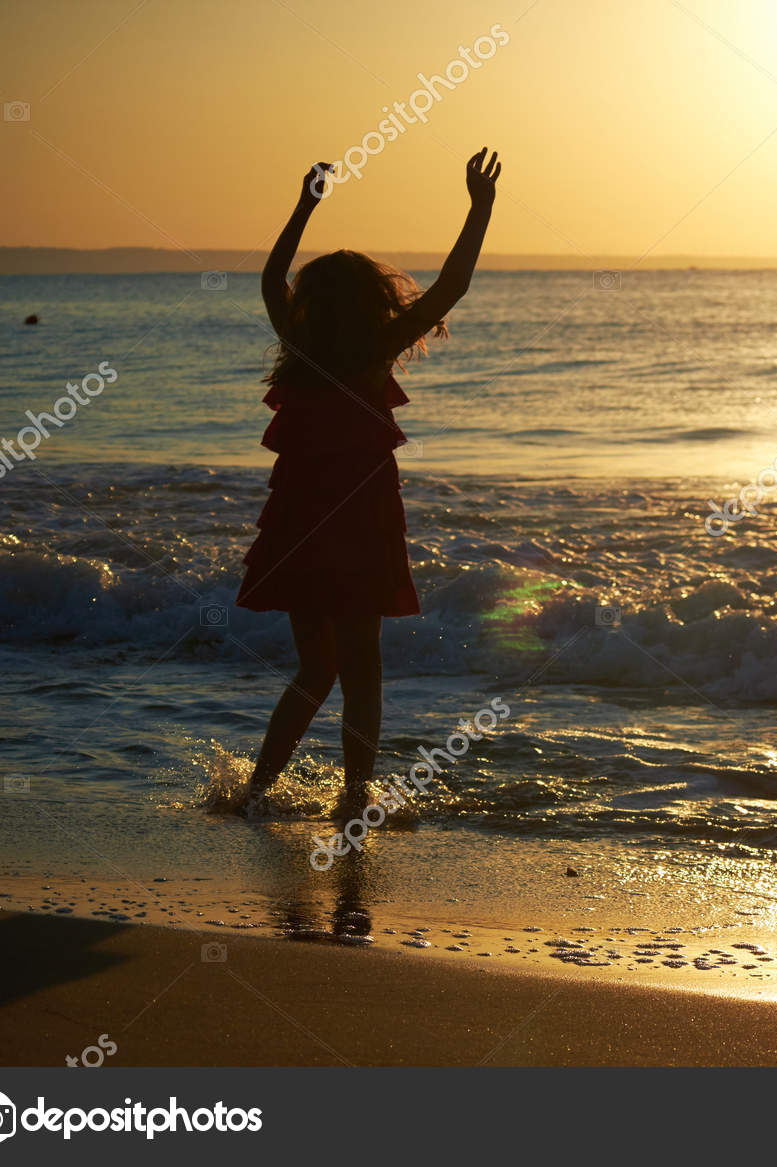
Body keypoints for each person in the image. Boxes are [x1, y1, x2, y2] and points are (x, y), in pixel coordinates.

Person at [236, 149, 501, 817]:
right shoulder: (371, 351)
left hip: (298, 525)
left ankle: (256, 791)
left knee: (315, 669)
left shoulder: (298, 353)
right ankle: (353, 798)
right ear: (369, 305)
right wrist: (480, 206)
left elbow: (270, 279)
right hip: (358, 526)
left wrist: (306, 204)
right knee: (362, 671)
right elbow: (451, 287)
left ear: (314, 305)